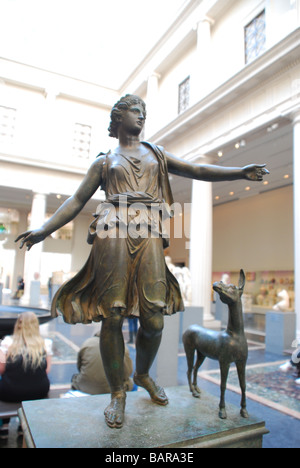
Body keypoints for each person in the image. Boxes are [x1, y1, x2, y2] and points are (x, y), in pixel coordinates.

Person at [15, 94, 269, 429]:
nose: (143, 116)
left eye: (145, 112)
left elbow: (196, 169)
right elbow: (77, 199)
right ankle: (118, 393)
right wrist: (44, 229)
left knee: (154, 318)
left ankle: (144, 374)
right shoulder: (105, 161)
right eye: (137, 111)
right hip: (113, 229)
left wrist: (238, 171)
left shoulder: (155, 153)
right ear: (119, 118)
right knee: (114, 313)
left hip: (148, 231)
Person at [0, 312, 52, 439]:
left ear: (18, 325)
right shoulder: (45, 344)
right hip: (38, 391)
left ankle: (5, 427)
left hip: (9, 393)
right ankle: (22, 427)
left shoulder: (7, 342)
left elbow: (1, 369)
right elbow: (46, 370)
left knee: (7, 381)